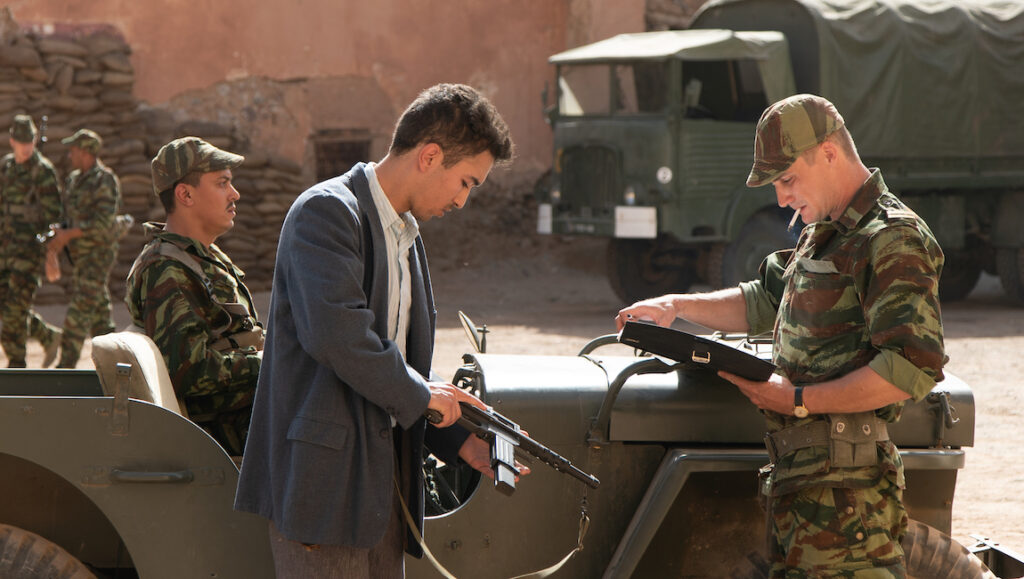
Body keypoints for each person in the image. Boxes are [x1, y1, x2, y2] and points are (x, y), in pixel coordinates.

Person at [615, 94, 945, 577]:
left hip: (850, 504)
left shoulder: (891, 237)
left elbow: (909, 370)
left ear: (830, 153)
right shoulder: (826, 233)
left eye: (788, 179)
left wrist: (798, 399)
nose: (781, 198)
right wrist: (676, 307)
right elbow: (764, 300)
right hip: (803, 489)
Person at [235, 83, 524, 578]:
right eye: (466, 182)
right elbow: (339, 337)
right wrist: (427, 396)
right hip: (324, 494)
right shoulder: (326, 213)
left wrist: (457, 439)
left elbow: (401, 374)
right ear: (430, 156)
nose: (463, 200)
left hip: (383, 492)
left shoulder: (406, 237)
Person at [125, 137, 263, 457]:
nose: (235, 194)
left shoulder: (203, 257)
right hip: (224, 436)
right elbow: (191, 371)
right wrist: (267, 364)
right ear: (185, 194)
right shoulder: (166, 269)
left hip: (248, 418)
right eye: (222, 183)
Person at [46, 129, 123, 368]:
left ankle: (65, 365)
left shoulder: (105, 180)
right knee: (99, 312)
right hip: (79, 255)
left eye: (74, 150)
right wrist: (59, 234)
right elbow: (68, 217)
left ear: (86, 152)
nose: (70, 155)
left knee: (80, 307)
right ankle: (116, 364)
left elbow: (103, 223)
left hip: (98, 253)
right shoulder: (73, 180)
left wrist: (69, 234)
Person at [0, 114, 63, 368]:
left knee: (13, 316)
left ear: (35, 140)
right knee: (7, 307)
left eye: (30, 142)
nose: (26, 147)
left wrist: (50, 254)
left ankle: (16, 366)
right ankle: (47, 335)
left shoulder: (43, 171)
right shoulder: (5, 167)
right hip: (5, 251)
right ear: (12, 141)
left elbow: (54, 217)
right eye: (22, 142)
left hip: (28, 253)